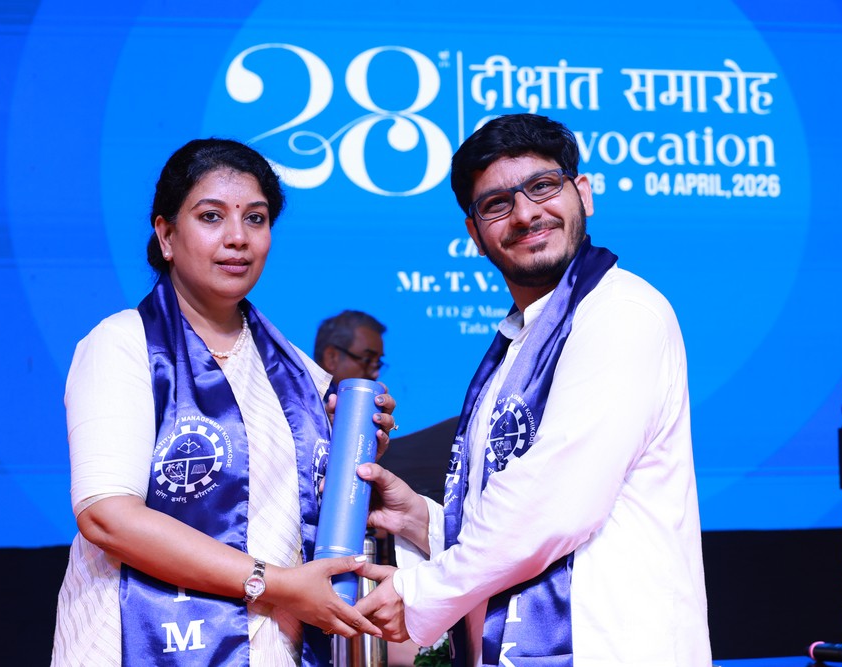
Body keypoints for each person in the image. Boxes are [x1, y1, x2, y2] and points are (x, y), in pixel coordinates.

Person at [353, 114, 712, 666]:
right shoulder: (517, 343)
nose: (525, 214)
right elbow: (515, 515)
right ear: (475, 234)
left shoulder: (621, 312)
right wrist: (421, 521)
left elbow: (555, 506)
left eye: (542, 186)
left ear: (582, 193)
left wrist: (418, 592)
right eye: (497, 204)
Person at [51, 138, 397, 667]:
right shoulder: (122, 345)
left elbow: (299, 521)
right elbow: (107, 517)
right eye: (211, 217)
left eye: (255, 219)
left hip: (272, 645)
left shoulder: (302, 373)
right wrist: (272, 583)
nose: (238, 237)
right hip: (131, 642)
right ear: (166, 235)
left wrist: (358, 460)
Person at [314, 310, 387, 395]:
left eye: (378, 363)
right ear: (331, 358)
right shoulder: (304, 400)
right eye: (367, 360)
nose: (376, 374)